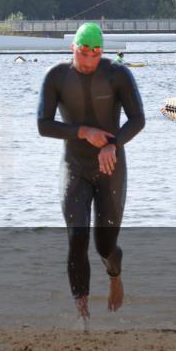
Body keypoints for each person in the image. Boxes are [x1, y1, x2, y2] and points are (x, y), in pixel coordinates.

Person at [37, 22, 145, 321]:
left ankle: (114, 275)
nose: (88, 62)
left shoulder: (117, 74)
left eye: (95, 55)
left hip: (111, 167)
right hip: (75, 165)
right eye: (83, 54)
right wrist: (83, 132)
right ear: (73, 49)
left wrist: (114, 144)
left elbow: (137, 119)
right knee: (77, 236)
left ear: (102, 53)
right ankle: (81, 308)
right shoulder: (56, 77)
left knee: (104, 244)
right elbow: (43, 125)